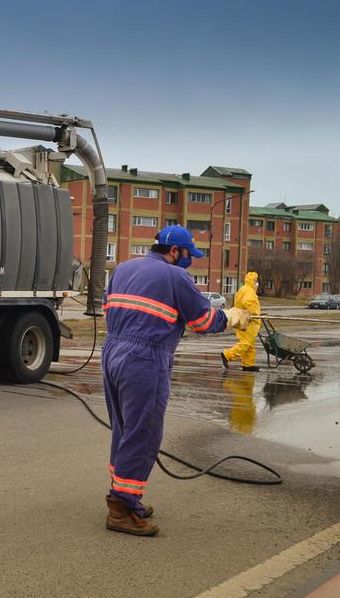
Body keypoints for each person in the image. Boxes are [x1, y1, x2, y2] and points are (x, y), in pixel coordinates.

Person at [102, 225, 250, 536]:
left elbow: (108, 307)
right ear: (174, 252)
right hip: (145, 358)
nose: (190, 262)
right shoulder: (176, 277)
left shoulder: (124, 267)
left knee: (124, 429)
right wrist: (230, 316)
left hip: (112, 351)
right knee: (144, 433)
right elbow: (202, 321)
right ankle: (121, 507)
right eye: (188, 255)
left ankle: (125, 498)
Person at [221, 271, 262, 372]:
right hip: (247, 321)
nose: (257, 283)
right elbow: (248, 303)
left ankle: (248, 365)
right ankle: (227, 355)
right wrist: (255, 313)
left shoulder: (244, 289)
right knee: (246, 343)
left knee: (249, 344)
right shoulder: (248, 291)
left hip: (243, 319)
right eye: (256, 281)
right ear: (253, 281)